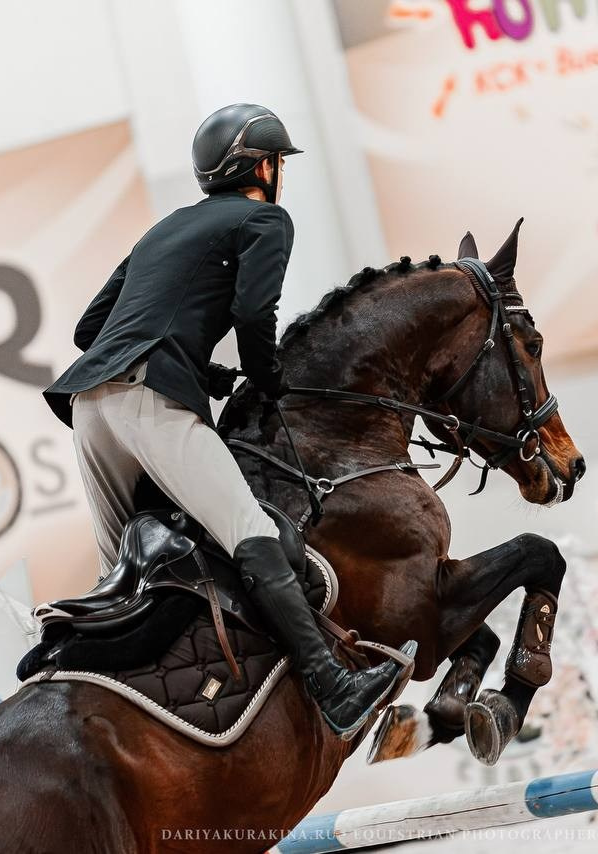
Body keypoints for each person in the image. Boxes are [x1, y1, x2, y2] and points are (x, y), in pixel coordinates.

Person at [40, 103, 409, 737]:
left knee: (119, 580)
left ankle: (94, 710)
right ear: (261, 167)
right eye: (278, 162)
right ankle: (333, 687)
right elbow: (254, 313)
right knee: (249, 531)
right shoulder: (265, 219)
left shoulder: (164, 228)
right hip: (149, 401)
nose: (280, 173)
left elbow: (88, 330)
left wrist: (202, 369)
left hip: (90, 406)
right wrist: (266, 377)